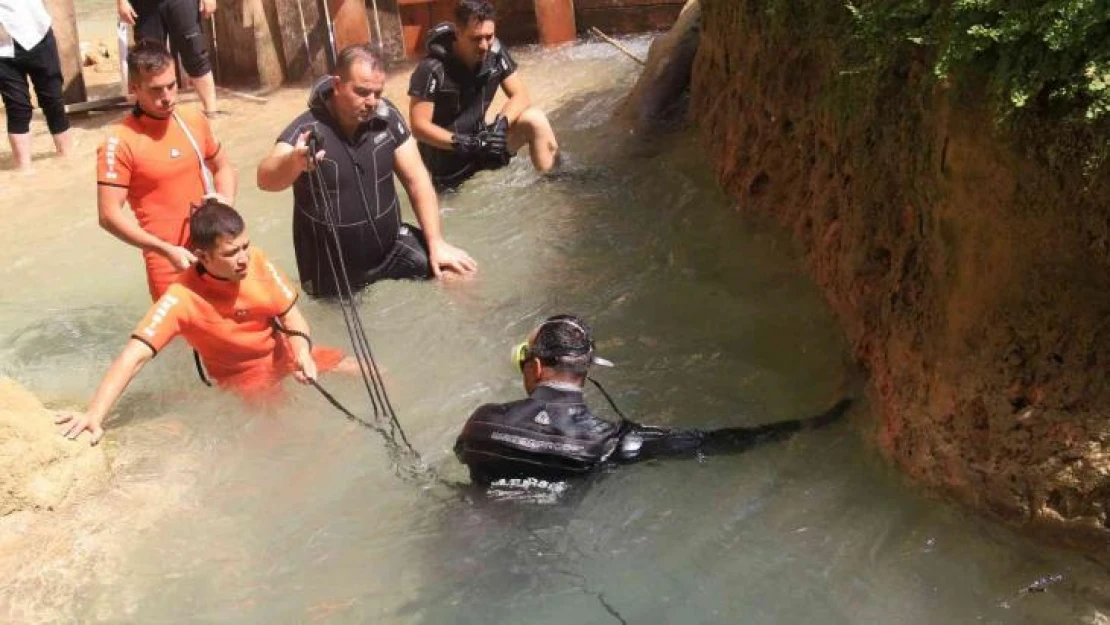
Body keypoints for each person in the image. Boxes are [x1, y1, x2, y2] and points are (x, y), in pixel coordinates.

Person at [56, 199, 349, 445]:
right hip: (246, 380)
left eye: (246, 246)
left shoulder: (257, 260)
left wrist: (301, 353)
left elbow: (291, 315)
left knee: (373, 373)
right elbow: (135, 355)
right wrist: (94, 414)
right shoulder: (181, 298)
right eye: (231, 253)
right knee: (295, 438)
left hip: (286, 356)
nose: (243, 258)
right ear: (202, 257)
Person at [455, 315, 852, 485]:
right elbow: (710, 442)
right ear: (587, 371)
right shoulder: (606, 443)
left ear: (536, 367)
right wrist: (810, 423)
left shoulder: (480, 424)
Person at [257, 44, 476, 299]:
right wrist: (295, 161)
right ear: (338, 85)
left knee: (459, 272)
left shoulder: (387, 118)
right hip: (333, 267)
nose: (371, 102)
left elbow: (417, 180)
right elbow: (265, 179)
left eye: (377, 93)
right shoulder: (307, 130)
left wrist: (436, 242)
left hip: (391, 248)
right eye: (361, 92)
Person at [96, 40, 237, 301]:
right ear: (134, 88)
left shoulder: (193, 118)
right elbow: (108, 216)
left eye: (172, 85)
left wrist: (225, 200)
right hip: (169, 264)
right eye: (156, 90)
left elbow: (223, 167)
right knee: (185, 340)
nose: (167, 97)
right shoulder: (119, 142)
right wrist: (164, 249)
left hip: (216, 251)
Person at [407, 0, 559, 191]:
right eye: (475, 38)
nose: (484, 45)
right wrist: (465, 142)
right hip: (448, 166)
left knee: (535, 119)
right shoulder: (430, 69)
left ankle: (555, 186)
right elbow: (419, 127)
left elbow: (521, 95)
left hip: (483, 148)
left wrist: (501, 126)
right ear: (457, 34)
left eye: (489, 36)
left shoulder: (495, 52)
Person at [0, 0, 72, 171]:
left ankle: (68, 160)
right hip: (2, 48)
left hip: (37, 32)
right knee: (17, 107)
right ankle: (24, 171)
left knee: (54, 101)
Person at [117, 0, 220, 116]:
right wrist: (122, 2)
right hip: (143, 5)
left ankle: (212, 112)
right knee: (149, 63)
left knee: (196, 54)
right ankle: (153, 118)